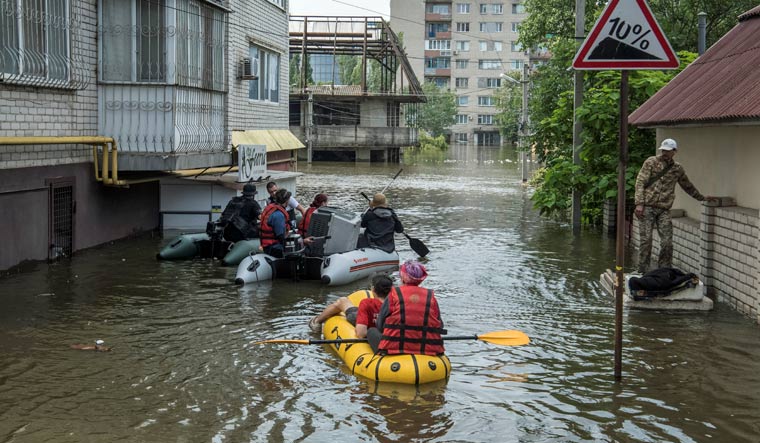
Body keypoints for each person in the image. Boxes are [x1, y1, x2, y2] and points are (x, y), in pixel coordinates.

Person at [634, 138, 716, 273]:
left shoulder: (677, 169)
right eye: (663, 150)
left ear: (674, 152)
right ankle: (642, 270)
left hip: (664, 209)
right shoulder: (651, 162)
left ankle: (664, 271)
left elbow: (687, 186)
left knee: (667, 242)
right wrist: (639, 203)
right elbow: (640, 183)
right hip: (647, 207)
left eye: (668, 151)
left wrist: (702, 198)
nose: (664, 153)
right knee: (646, 241)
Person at [370, 260, 445, 356]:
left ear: (402, 277)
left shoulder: (394, 294)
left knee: (371, 331)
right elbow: (440, 326)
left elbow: (380, 325)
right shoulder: (431, 297)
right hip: (428, 351)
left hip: (394, 349)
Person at [308, 274, 394, 337]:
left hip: (364, 324)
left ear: (373, 289)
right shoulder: (397, 304)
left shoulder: (367, 303)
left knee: (342, 301)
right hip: (385, 331)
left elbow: (361, 334)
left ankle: (317, 322)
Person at [260, 188, 292, 258]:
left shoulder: (271, 208)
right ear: (286, 201)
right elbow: (280, 236)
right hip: (273, 247)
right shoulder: (279, 215)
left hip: (267, 245)